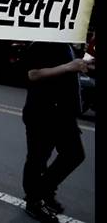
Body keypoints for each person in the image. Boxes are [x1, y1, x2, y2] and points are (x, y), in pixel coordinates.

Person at [21, 41, 93, 223]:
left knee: (74, 155)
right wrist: (68, 66)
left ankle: (43, 191)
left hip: (64, 113)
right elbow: (33, 74)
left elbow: (71, 71)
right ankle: (34, 202)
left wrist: (84, 65)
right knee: (38, 159)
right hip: (42, 112)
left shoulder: (69, 44)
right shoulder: (42, 43)